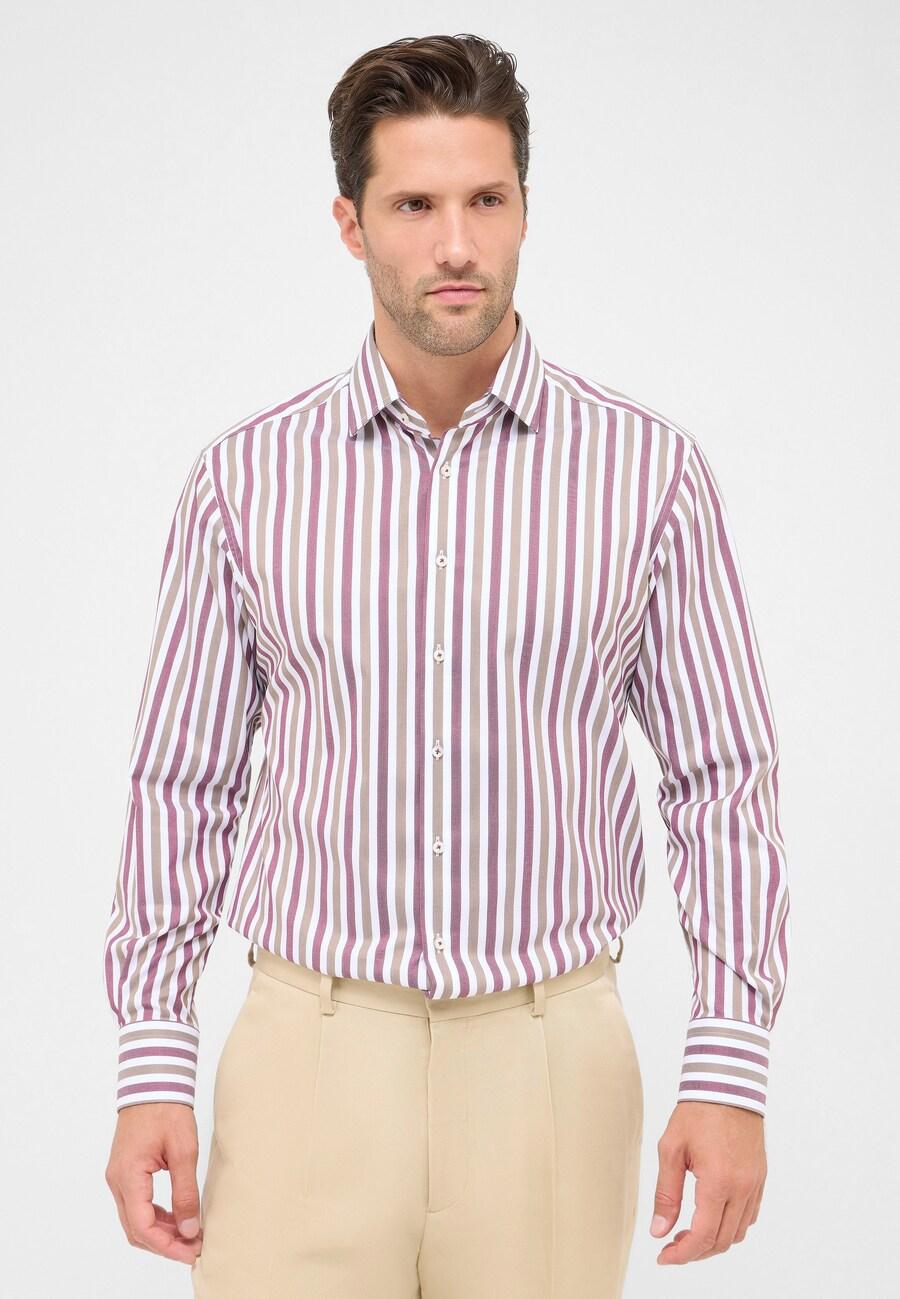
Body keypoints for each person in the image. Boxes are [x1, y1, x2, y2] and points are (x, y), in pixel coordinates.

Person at [102, 32, 790, 1299]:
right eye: (415, 205)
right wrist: (152, 1057)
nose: (457, 244)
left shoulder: (649, 476)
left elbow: (722, 776)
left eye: (487, 199)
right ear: (352, 224)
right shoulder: (245, 482)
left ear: (527, 207)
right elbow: (182, 782)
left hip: (551, 1060)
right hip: (307, 1055)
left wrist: (729, 1063)